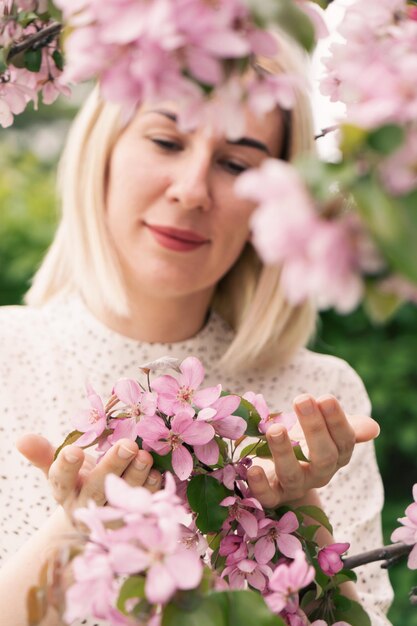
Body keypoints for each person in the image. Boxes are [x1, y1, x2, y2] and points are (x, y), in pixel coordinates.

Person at [0, 31, 392, 626]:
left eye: (236, 163)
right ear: (102, 149)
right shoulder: (11, 355)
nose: (190, 190)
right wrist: (76, 530)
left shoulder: (315, 400)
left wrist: (302, 506)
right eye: (165, 140)